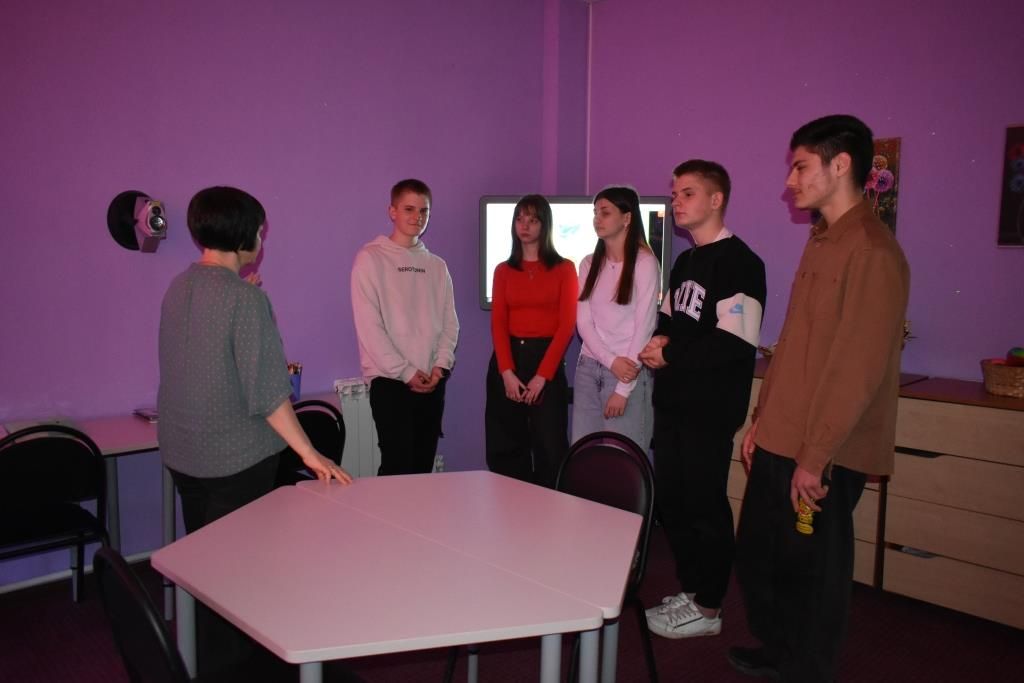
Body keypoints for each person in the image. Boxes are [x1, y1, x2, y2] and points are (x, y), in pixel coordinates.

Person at [728, 115, 910, 683]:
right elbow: (792, 345)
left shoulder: (873, 251)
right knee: (763, 554)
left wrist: (815, 456)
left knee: (814, 566)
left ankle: (808, 667)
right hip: (783, 433)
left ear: (840, 165)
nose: (790, 181)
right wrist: (762, 418)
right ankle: (778, 647)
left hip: (822, 448)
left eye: (801, 166)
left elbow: (857, 368)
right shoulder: (823, 240)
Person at [158, 186, 351, 675]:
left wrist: (251, 302)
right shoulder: (244, 300)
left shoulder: (179, 286)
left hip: (184, 455)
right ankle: (233, 668)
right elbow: (269, 395)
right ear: (244, 235)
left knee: (207, 567)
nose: (262, 240)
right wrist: (310, 454)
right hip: (234, 462)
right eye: (260, 231)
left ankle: (203, 662)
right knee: (240, 580)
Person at [639, 160, 766, 640]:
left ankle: (710, 607)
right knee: (674, 502)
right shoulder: (685, 262)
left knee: (704, 504)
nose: (676, 201)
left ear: (716, 200)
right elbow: (671, 319)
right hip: (673, 402)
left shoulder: (741, 263)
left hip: (710, 408)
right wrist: (659, 340)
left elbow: (733, 342)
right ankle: (692, 591)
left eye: (687, 193)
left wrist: (670, 352)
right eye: (674, 193)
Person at [351, 178, 459, 475]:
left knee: (422, 469)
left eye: (424, 211)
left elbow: (450, 323)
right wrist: (406, 372)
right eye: (409, 209)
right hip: (390, 382)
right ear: (392, 211)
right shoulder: (370, 259)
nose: (417, 217)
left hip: (431, 380)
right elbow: (370, 328)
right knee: (397, 468)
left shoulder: (437, 266)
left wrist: (440, 366)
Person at [486, 194, 577, 488]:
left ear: (544, 225)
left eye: (533, 220)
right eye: (520, 219)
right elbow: (498, 323)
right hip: (508, 361)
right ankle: (509, 510)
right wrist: (506, 373)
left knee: (550, 446)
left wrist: (542, 377)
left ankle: (551, 512)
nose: (524, 226)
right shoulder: (503, 270)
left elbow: (566, 326)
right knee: (506, 446)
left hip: (545, 361)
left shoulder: (564, 268)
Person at [572, 186, 660, 450]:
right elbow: (584, 323)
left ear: (627, 217)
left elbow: (644, 327)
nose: (597, 219)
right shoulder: (588, 263)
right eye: (595, 213)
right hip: (589, 368)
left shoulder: (645, 263)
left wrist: (622, 389)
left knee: (623, 458)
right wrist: (611, 361)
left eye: (605, 212)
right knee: (583, 453)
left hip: (628, 371)